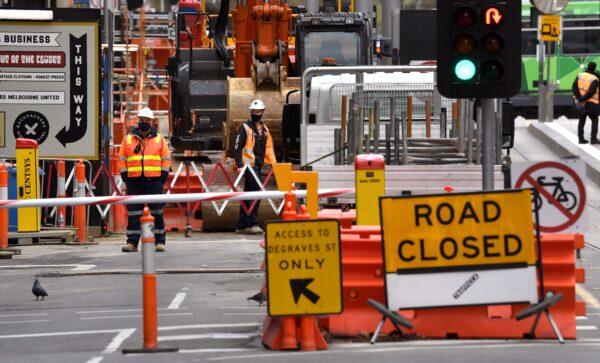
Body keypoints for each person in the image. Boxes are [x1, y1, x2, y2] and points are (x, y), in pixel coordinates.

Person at [119, 107, 171, 252]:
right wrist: (125, 177)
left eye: (147, 120)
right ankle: (132, 243)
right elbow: (122, 159)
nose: (144, 122)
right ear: (138, 121)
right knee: (134, 213)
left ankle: (160, 242)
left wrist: (162, 177)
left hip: (154, 181)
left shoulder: (160, 139)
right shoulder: (128, 139)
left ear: (151, 121)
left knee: (157, 212)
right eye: (142, 120)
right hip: (134, 181)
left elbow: (166, 160)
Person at [233, 99, 276, 235]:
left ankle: (241, 225)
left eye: (258, 111)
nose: (256, 113)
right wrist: (239, 165)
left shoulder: (264, 130)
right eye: (253, 111)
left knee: (248, 194)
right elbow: (237, 147)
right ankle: (252, 223)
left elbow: (268, 148)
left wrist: (272, 164)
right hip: (248, 166)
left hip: (257, 165)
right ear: (250, 112)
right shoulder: (244, 128)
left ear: (262, 112)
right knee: (256, 192)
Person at [572, 62, 599, 144]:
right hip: (591, 103)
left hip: (582, 103)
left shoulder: (580, 75)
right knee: (594, 120)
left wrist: (579, 98)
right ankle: (593, 139)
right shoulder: (595, 79)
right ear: (594, 68)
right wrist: (583, 99)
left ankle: (581, 139)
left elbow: (574, 87)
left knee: (582, 120)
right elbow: (591, 92)